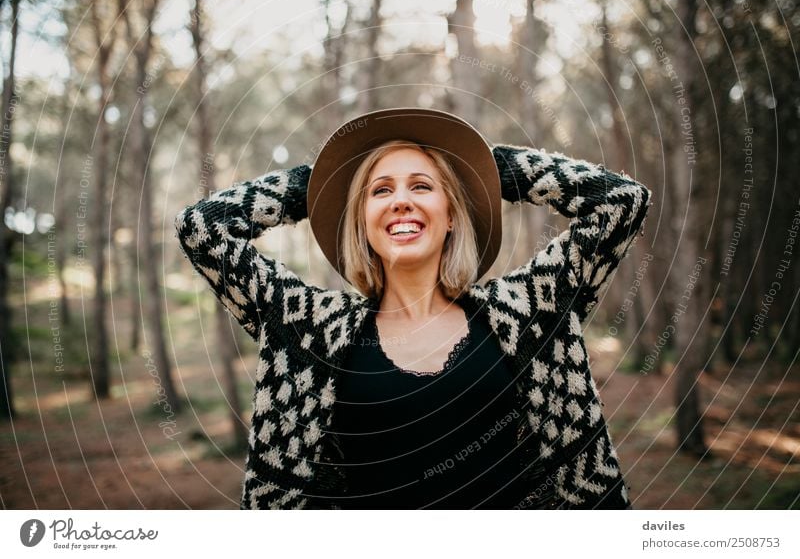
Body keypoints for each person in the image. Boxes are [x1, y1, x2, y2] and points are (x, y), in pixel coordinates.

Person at [174, 108, 653, 510]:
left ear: (451, 216)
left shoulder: (529, 310)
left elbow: (620, 201)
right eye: (380, 191)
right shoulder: (310, 328)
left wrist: (494, 169)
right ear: (362, 223)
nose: (400, 200)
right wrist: (317, 184)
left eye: (421, 186)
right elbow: (202, 228)